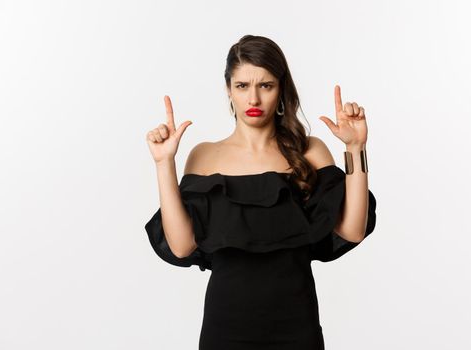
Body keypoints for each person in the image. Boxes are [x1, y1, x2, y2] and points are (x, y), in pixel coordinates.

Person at [144, 34, 377, 350]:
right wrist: (163, 164)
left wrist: (355, 147)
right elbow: (182, 246)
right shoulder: (204, 156)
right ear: (229, 89)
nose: (253, 99)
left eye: (265, 85)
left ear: (281, 90)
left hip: (297, 328)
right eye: (242, 86)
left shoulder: (309, 151)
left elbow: (352, 229)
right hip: (224, 329)